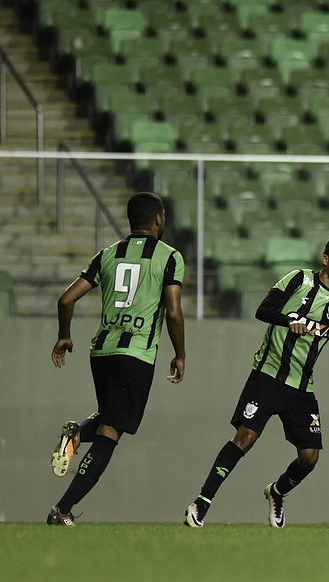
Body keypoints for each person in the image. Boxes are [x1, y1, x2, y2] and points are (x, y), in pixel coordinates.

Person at [183, 235, 329, 528]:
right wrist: (289, 320)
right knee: (245, 438)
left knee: (309, 458)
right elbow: (263, 310)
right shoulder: (298, 279)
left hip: (303, 387)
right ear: (326, 259)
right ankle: (201, 503)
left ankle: (277, 492)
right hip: (267, 375)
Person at [47, 191, 186, 526]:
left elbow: (66, 300)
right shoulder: (169, 257)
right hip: (136, 354)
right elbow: (173, 311)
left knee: (111, 419)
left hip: (102, 352)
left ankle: (77, 436)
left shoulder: (107, 254)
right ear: (158, 218)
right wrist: (180, 354)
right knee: (111, 431)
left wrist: (65, 336)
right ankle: (62, 508)